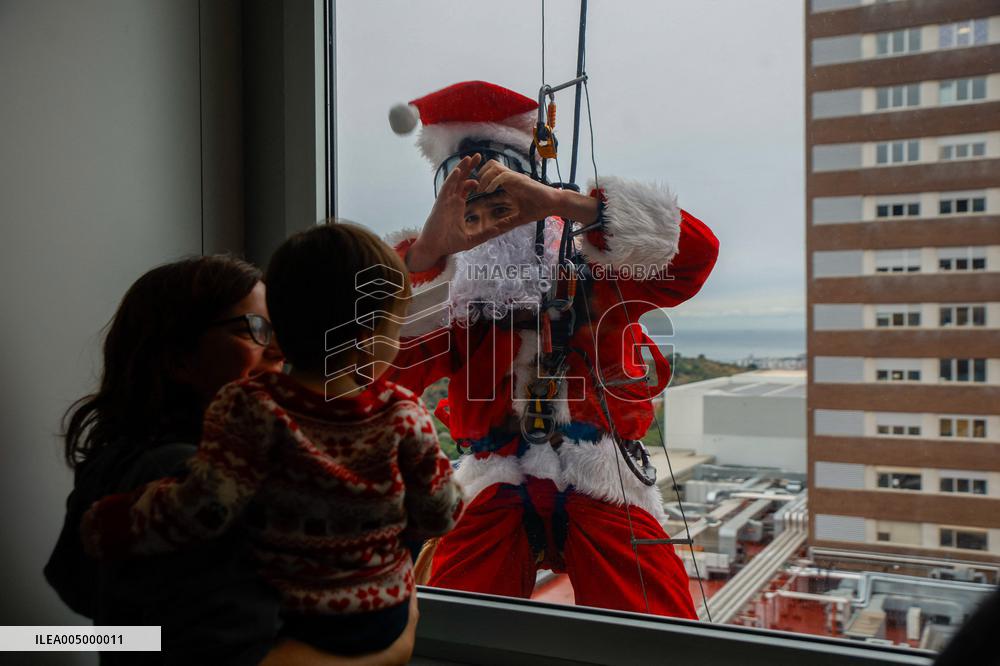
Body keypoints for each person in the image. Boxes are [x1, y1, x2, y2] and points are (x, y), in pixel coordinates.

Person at [382, 80, 720, 618]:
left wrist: (569, 205)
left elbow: (693, 258)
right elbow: (381, 374)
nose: (488, 209)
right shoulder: (455, 290)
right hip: (496, 473)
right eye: (465, 192)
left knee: (657, 624)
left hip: (600, 469)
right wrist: (427, 254)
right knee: (452, 615)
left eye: (502, 186)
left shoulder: (592, 262)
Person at [80, 224, 464, 656]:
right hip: (371, 620)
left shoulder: (241, 417)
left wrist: (111, 524)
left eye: (273, 326)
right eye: (253, 329)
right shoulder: (401, 414)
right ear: (179, 357)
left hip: (309, 619)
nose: (276, 348)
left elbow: (87, 596)